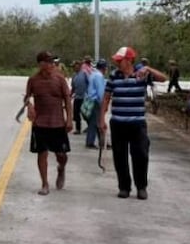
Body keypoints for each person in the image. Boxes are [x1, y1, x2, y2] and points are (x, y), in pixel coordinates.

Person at [99, 46, 167, 200]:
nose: (117, 63)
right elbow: (106, 98)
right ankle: (124, 187)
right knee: (119, 156)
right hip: (118, 123)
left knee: (141, 155)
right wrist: (101, 119)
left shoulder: (142, 75)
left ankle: (141, 187)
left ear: (129, 60)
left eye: (120, 60)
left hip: (137, 124)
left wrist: (148, 68)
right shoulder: (114, 76)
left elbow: (164, 78)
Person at [25, 51, 72, 196]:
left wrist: (69, 119)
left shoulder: (60, 79)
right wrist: (30, 106)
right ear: (41, 64)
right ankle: (45, 183)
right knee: (42, 153)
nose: (52, 65)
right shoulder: (33, 80)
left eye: (53, 62)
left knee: (61, 154)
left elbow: (67, 100)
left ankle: (61, 168)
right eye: (49, 62)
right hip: (40, 123)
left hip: (57, 122)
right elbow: (27, 97)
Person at [84, 59, 108, 149]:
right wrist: (103, 105)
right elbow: (100, 92)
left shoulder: (93, 74)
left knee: (96, 122)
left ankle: (102, 142)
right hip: (95, 102)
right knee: (94, 123)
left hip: (90, 100)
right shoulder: (99, 76)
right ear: (104, 68)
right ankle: (90, 142)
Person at [70, 61, 89, 134]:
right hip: (77, 97)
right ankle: (78, 129)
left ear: (79, 66)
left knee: (85, 114)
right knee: (76, 114)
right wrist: (70, 95)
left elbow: (89, 83)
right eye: (73, 66)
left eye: (75, 66)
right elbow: (73, 87)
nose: (74, 68)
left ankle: (90, 126)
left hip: (84, 97)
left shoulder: (84, 74)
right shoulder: (74, 75)